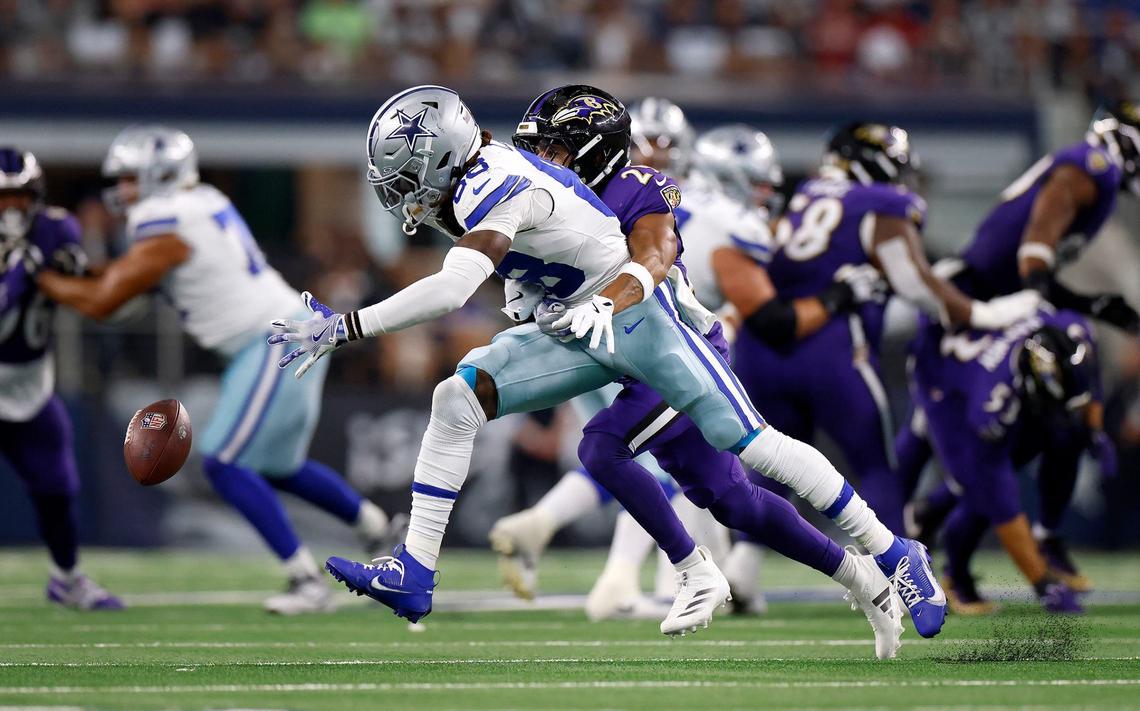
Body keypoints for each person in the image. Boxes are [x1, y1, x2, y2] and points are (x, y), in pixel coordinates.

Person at [274, 85, 943, 650]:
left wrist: (348, 324)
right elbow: (527, 261)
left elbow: (646, 259)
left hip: (649, 324)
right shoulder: (478, 186)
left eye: (558, 150)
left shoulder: (575, 186)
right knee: (459, 396)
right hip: (579, 326)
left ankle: (887, 552)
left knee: (742, 451)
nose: (545, 159)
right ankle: (416, 570)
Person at [36, 127, 399, 614]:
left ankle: (306, 581)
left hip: (276, 338)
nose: (122, 190)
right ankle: (379, 529)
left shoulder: (163, 223)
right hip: (287, 331)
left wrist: (38, 278)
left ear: (158, 176)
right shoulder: (197, 203)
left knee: (224, 462)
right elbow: (120, 280)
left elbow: (106, 301)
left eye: (129, 178)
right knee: (277, 468)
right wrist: (72, 275)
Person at [896, 101, 1140, 572]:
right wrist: (1055, 304)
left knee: (1019, 427)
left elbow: (1035, 269)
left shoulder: (1098, 176)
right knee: (943, 428)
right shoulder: (1093, 166)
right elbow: (1035, 251)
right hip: (972, 302)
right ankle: (898, 536)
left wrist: (1089, 304)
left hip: (999, 303)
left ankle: (932, 524)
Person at [908, 308, 1106, 613]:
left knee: (1068, 434)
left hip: (997, 363)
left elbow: (1089, 379)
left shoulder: (1074, 330)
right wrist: (1043, 584)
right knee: (978, 489)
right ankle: (955, 575)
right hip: (944, 385)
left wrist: (1094, 429)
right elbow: (1002, 501)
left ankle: (1046, 536)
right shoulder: (991, 403)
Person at [0, 148, 122, 610]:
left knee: (58, 486)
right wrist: (18, 274)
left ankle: (66, 578)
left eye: (19, 197)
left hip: (29, 384)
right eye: (2, 199)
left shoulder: (54, 228)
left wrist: (68, 267)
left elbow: (87, 280)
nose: (11, 208)